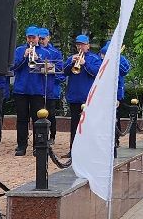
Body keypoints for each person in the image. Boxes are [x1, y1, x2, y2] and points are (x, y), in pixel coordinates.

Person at [10, 27, 54, 156]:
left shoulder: (45, 52)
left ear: (38, 38)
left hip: (37, 90)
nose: (31, 40)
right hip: (21, 90)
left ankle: (38, 146)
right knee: (22, 119)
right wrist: (24, 57)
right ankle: (21, 146)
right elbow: (13, 67)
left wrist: (38, 59)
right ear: (26, 38)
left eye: (33, 38)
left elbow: (50, 70)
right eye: (29, 37)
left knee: (37, 119)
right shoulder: (19, 50)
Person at [62, 32, 97, 139]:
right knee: (74, 124)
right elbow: (64, 72)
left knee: (88, 125)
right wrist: (71, 63)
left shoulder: (94, 58)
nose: (80, 47)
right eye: (78, 45)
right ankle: (73, 146)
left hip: (88, 97)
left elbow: (96, 73)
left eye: (82, 44)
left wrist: (84, 63)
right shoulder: (72, 58)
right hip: (74, 96)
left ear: (88, 45)